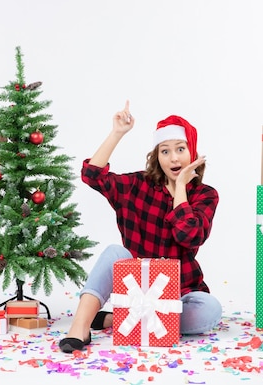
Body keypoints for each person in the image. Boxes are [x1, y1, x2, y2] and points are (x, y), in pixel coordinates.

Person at [58, 100, 221, 353]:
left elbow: (189, 236)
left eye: (180, 149)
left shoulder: (205, 195)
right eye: (165, 151)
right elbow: (92, 176)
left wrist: (180, 189)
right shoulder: (138, 185)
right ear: (157, 157)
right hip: (135, 286)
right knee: (115, 252)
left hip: (179, 291)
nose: (173, 158)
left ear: (193, 153)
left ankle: (117, 319)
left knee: (210, 310)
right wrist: (117, 133)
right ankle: (80, 327)